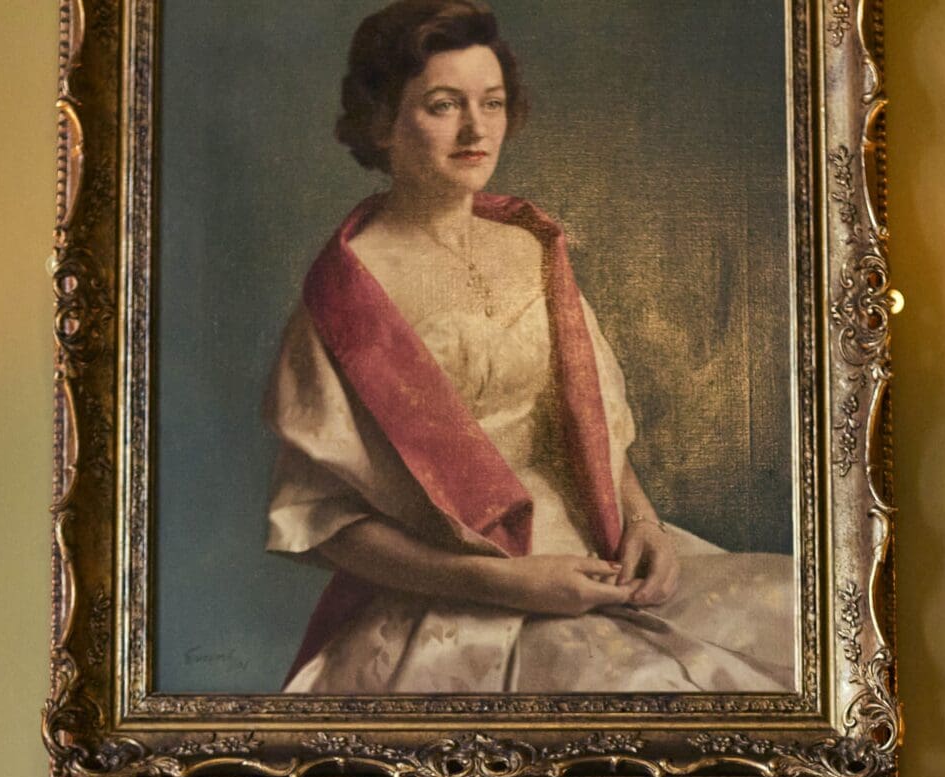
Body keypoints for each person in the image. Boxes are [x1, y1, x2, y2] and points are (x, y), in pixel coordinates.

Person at [263, 0, 796, 695]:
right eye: (443, 105)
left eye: (492, 102)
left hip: (597, 557)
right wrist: (505, 580)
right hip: (462, 598)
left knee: (795, 624)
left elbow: (592, 426)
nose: (476, 129)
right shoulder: (346, 295)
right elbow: (325, 523)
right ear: (382, 121)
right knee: (637, 691)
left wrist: (645, 524)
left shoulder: (531, 245)